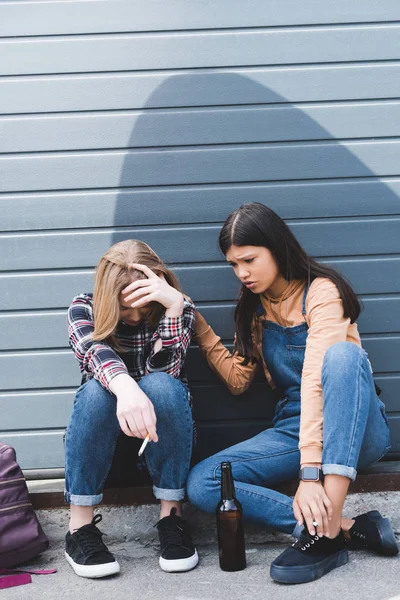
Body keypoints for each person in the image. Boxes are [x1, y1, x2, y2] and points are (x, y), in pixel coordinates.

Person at [187, 203, 398, 584]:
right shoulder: (254, 310)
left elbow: (317, 380)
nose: (242, 273)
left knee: (344, 357)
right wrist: (191, 318)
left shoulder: (322, 292)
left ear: (276, 247)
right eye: (233, 265)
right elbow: (238, 381)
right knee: (205, 481)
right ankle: (343, 527)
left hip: (352, 427)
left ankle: (325, 533)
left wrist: (310, 474)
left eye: (249, 259)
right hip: (293, 428)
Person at [64, 240, 198, 578]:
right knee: (97, 391)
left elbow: (168, 374)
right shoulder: (83, 309)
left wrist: (171, 310)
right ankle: (79, 528)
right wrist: (125, 388)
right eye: (126, 309)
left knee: (162, 386)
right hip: (102, 450)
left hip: (160, 441)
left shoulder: (178, 307)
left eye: (145, 305)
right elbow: (94, 353)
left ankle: (172, 516)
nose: (137, 316)